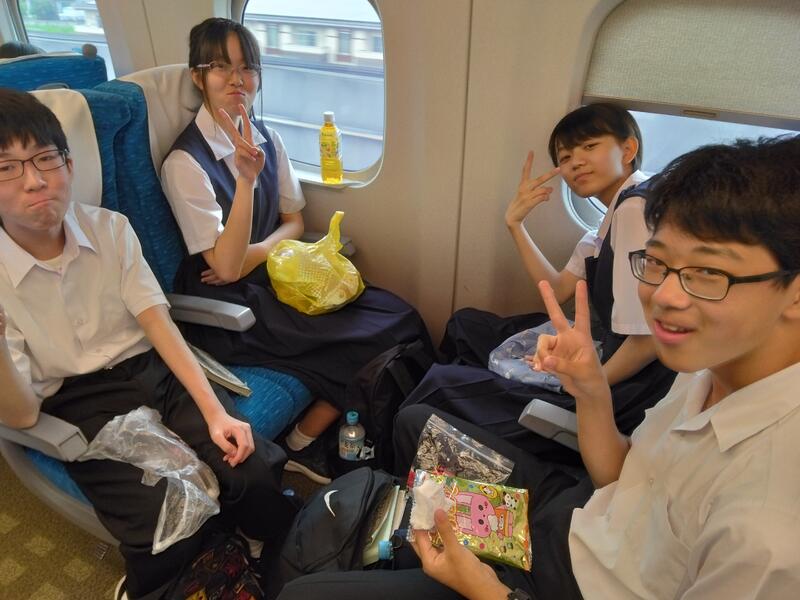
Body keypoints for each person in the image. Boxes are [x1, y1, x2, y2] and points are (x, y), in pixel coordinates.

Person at [277, 134, 800, 599]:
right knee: (415, 420)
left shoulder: (767, 531)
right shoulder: (708, 369)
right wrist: (590, 388)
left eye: (707, 272)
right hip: (581, 516)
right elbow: (623, 477)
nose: (663, 296)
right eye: (658, 263)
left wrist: (485, 589)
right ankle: (391, 543)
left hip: (562, 586)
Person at [0, 88, 298, 600]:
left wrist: (216, 414)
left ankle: (271, 554)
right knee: (164, 517)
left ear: (69, 164)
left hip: (150, 370)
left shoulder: (110, 230)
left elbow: (159, 325)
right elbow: (22, 415)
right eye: (6, 167)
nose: (34, 180)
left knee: (249, 469)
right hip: (75, 402)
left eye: (46, 158)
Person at [160, 18, 431, 484]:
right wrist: (246, 184)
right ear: (197, 77)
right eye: (221, 67)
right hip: (227, 305)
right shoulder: (185, 163)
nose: (237, 80)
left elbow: (295, 223)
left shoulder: (268, 137)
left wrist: (261, 250)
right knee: (369, 339)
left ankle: (316, 435)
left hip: (275, 272)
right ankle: (304, 444)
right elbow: (224, 267)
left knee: (400, 317)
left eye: (247, 68)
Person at [403, 104, 674, 462]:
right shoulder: (612, 216)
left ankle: (467, 405)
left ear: (628, 150)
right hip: (606, 357)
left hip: (626, 388)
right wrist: (515, 224)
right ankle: (481, 395)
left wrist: (584, 385)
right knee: (466, 325)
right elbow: (558, 289)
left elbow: (647, 340)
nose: (575, 163)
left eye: (589, 146)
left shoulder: (634, 211)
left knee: (437, 388)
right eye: (565, 157)